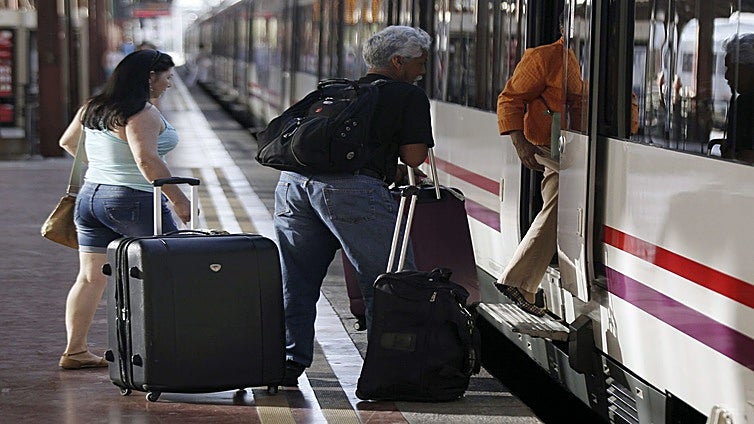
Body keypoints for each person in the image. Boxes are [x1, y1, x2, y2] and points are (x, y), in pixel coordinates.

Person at [274, 25, 433, 386]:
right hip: (351, 192)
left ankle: (287, 362)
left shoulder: (338, 90)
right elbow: (414, 157)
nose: (422, 71)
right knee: (389, 281)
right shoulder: (408, 95)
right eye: (420, 63)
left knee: (295, 280)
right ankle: (391, 371)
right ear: (398, 62)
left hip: (293, 186)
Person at [57, 49, 191, 369]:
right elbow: (147, 160)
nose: (169, 83)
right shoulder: (141, 113)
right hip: (133, 200)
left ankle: (75, 351)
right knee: (171, 271)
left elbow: (68, 142)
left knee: (90, 278)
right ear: (150, 77)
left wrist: (105, 166)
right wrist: (179, 199)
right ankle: (167, 352)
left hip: (91, 198)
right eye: (167, 77)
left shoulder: (93, 107)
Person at [495, 12, 583, 316]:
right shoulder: (543, 57)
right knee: (564, 200)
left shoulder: (597, 59)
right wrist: (520, 144)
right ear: (563, 26)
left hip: (581, 149)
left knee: (560, 199)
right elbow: (509, 100)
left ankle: (520, 283)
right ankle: (518, 281)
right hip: (549, 146)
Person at [721, 33, 754, 163]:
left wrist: (731, 154)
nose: (727, 76)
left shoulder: (746, 104)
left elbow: (748, 158)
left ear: (747, 68)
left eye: (730, 68)